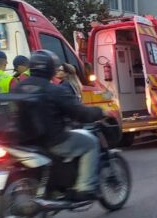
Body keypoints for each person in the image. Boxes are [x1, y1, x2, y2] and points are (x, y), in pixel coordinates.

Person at [13, 50, 105, 200]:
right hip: (52, 140)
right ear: (50, 68)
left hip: (24, 141)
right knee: (91, 143)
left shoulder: (18, 87)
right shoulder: (54, 89)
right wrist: (99, 112)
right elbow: (78, 112)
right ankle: (84, 188)